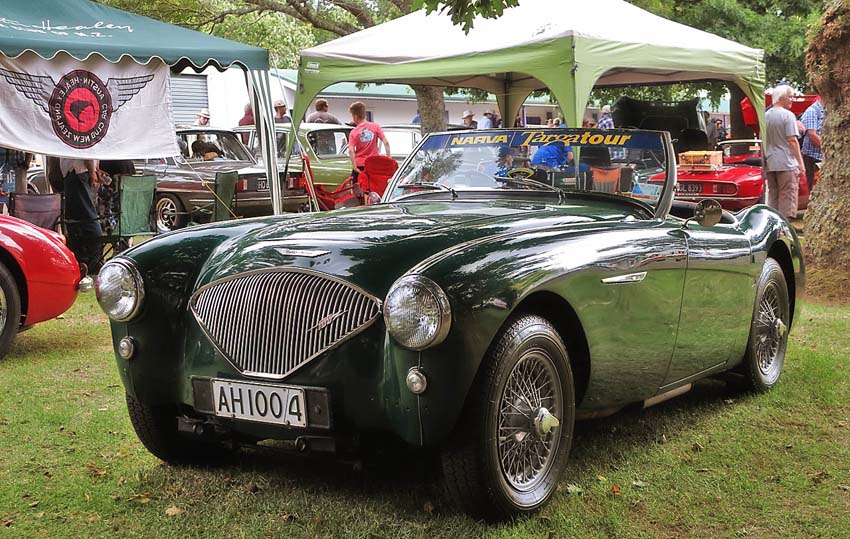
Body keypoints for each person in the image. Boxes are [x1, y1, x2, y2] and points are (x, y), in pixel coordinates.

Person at [764, 85, 805, 219]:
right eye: (790, 97)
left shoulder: (765, 116)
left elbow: (762, 140)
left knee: (773, 193)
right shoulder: (788, 115)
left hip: (770, 161)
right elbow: (792, 140)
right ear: (781, 97)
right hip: (786, 162)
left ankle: (772, 221)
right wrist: (800, 163)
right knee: (788, 193)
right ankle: (786, 223)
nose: (792, 100)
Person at [61, 158, 104, 273]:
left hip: (78, 171)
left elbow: (85, 150)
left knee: (87, 217)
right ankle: (83, 259)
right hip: (78, 171)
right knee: (77, 219)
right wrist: (95, 169)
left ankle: (94, 259)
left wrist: (92, 171)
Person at [347, 101, 390, 181]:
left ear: (355, 117)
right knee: (373, 185)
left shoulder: (354, 132)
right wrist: (388, 158)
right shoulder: (376, 127)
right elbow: (386, 143)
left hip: (360, 164)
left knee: (358, 186)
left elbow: (351, 150)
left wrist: (354, 166)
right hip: (373, 164)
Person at [800, 97, 824, 191]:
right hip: (812, 158)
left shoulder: (827, 110)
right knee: (811, 186)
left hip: (822, 156)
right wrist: (828, 148)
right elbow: (812, 135)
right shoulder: (812, 111)